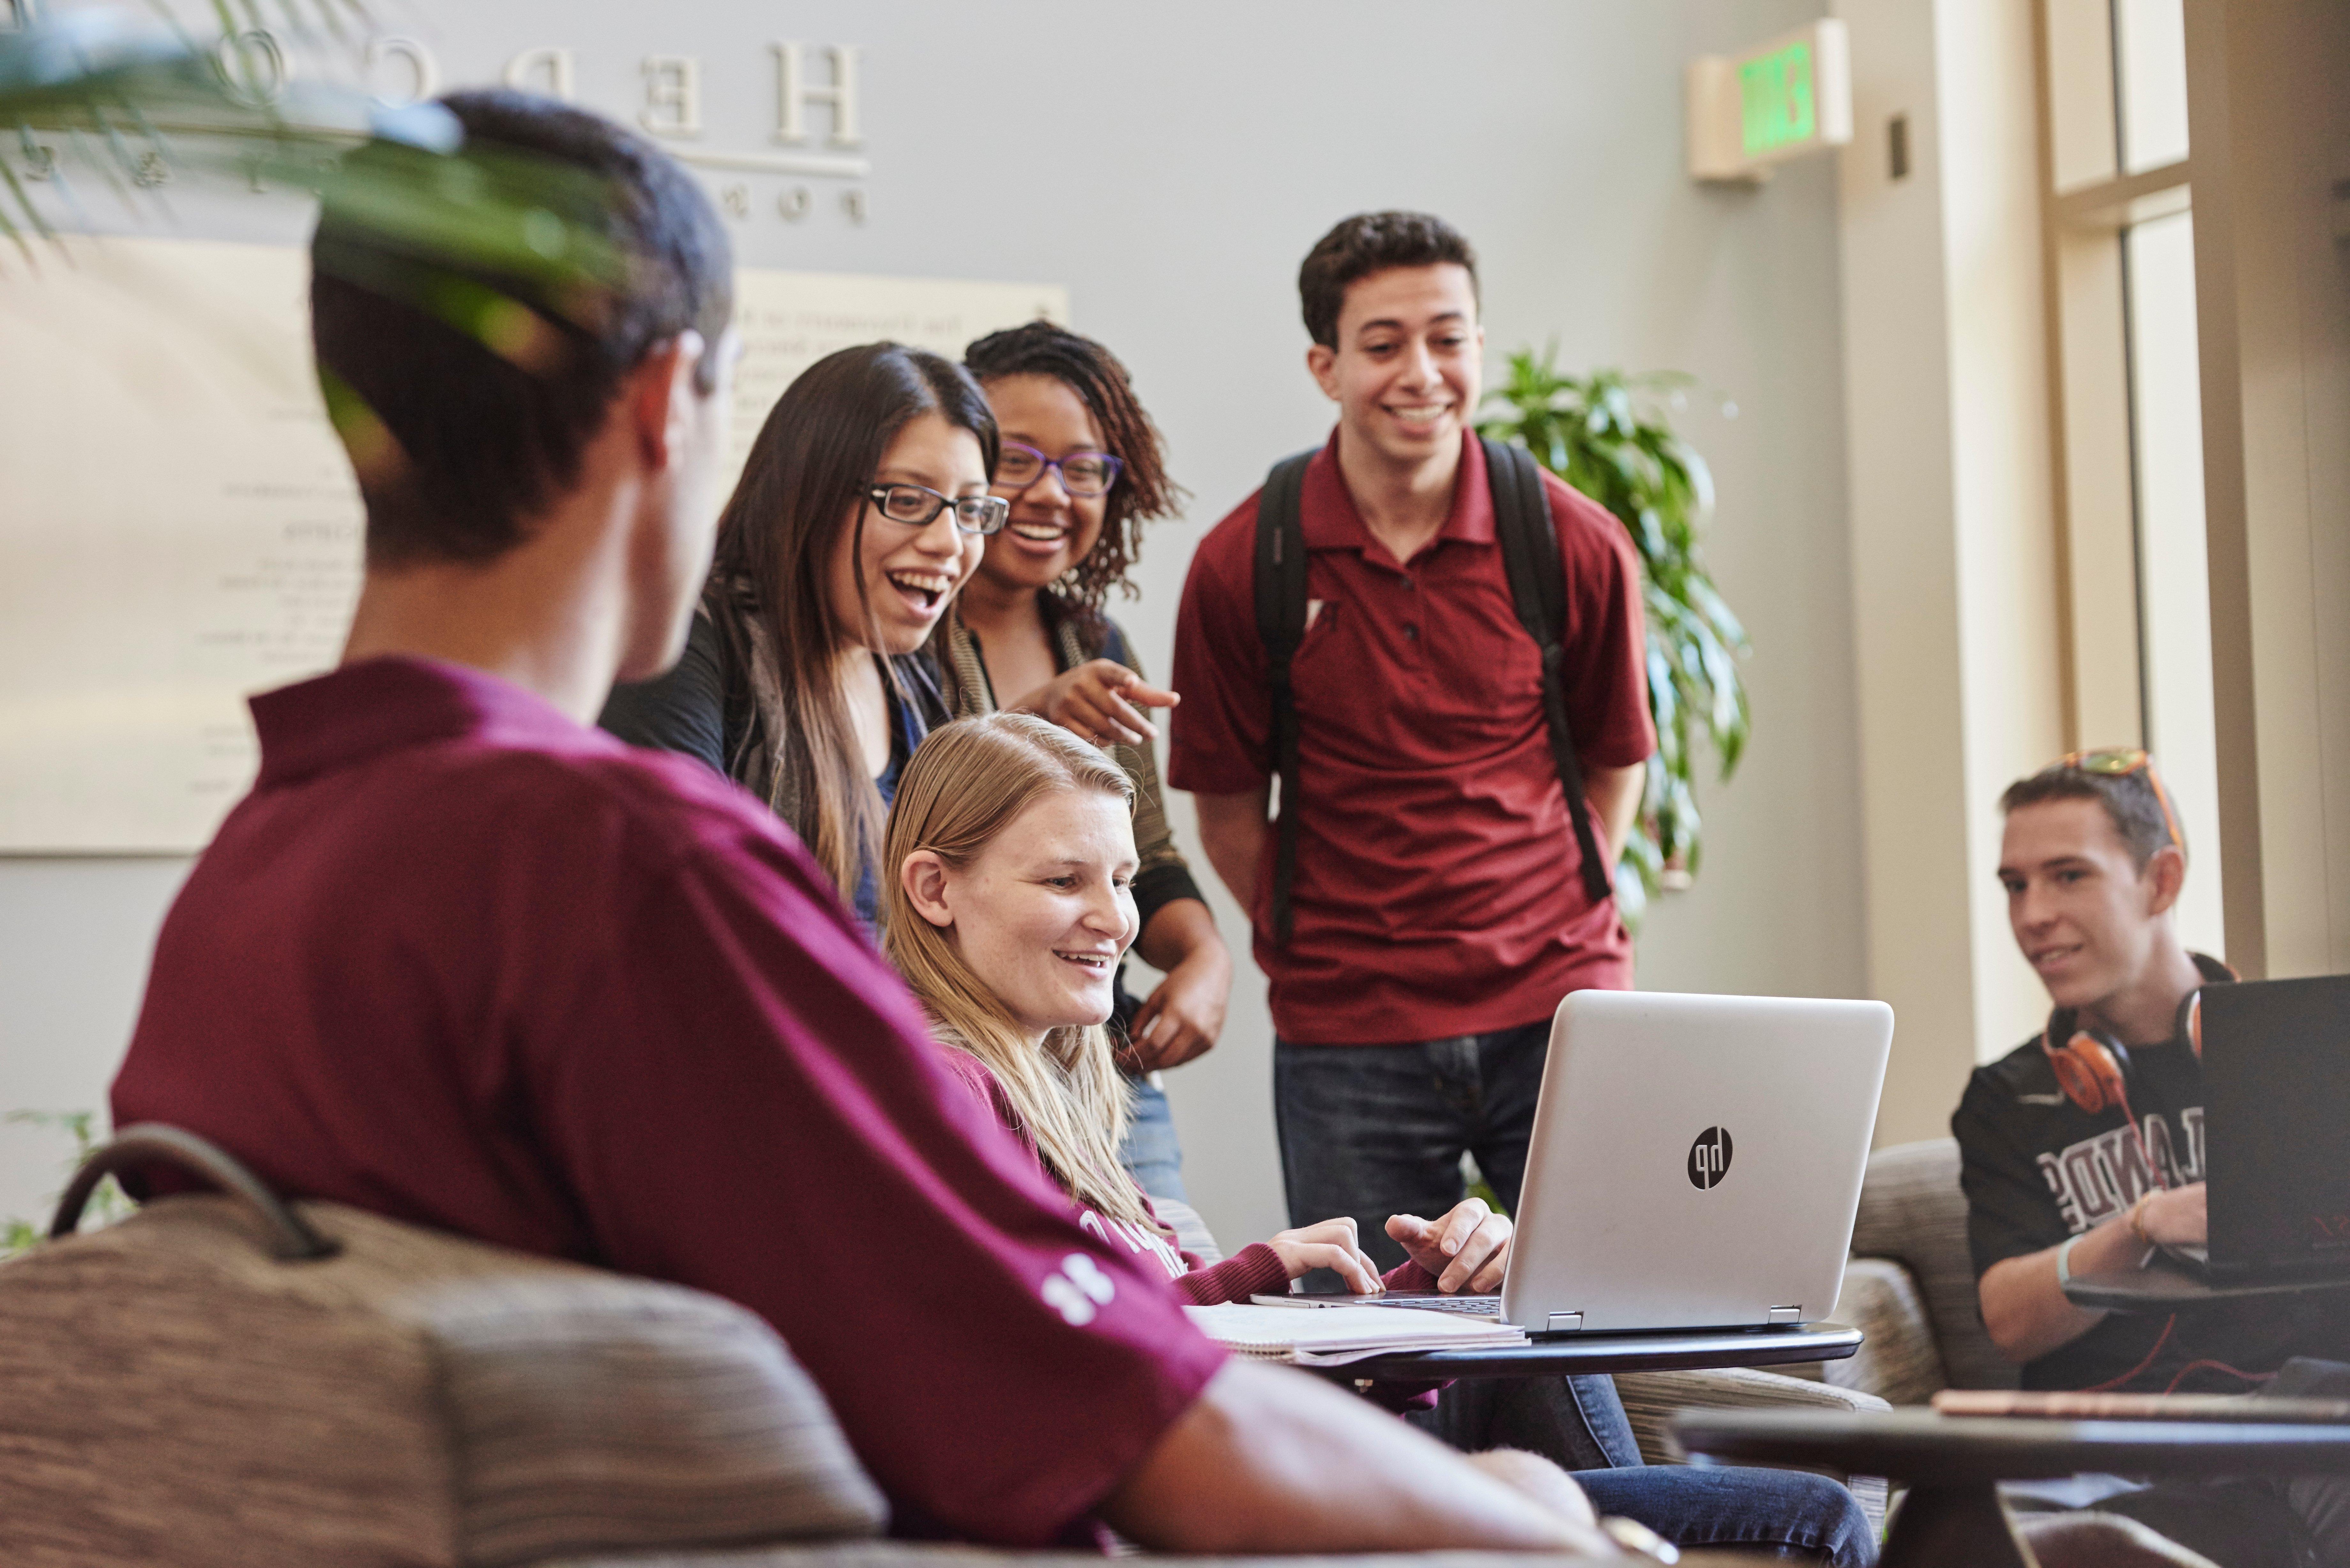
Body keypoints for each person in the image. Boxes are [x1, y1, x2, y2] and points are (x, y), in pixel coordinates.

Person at [105, 92, 1624, 1556]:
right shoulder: (634, 873)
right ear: (661, 411)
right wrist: (1544, 1513)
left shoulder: (251, 873)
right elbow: (1129, 1425)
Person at [885, 712, 1877, 1567]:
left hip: (1264, 1468)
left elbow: (1236, 1382)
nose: (1116, 921)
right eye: (1065, 880)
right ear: (935, 890)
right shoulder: (942, 1095)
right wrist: (1253, 1274)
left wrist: (1427, 1299)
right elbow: (1067, 1362)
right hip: (1205, 1511)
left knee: (1529, 1305)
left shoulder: (1071, 1108)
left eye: (1123, 879)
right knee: (1814, 1519)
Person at [1168, 210, 1654, 1266]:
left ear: (1480, 346)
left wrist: (1552, 910)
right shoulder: (1244, 561)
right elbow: (1228, 813)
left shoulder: (1573, 541)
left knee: (1611, 1311)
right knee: (1379, 1347)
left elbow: (1617, 759)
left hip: (1563, 1013)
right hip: (1350, 1032)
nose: (1422, 373)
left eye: (1450, 338)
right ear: (1326, 366)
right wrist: (1330, 941)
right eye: (1384, 345)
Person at [1955, 751, 2350, 1568]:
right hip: (2112, 1456)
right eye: (2014, 884)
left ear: (2160, 880)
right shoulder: (2006, 1098)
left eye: (2067, 875)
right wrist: (2135, 1224)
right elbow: (2008, 1319)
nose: (2031, 913)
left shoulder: (2299, 1051)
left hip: (2295, 1428)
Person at [940, 321, 1231, 1201]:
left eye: (1083, 468)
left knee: (1170, 1280)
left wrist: (1205, 961)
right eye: (1017, 460)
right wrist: (1033, 719)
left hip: (1104, 1061)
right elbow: (909, 826)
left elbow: (1147, 857)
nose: (1050, 493)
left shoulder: (1095, 640)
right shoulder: (901, 632)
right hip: (956, 1061)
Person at [598, 340, 1001, 931]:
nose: (950, 542)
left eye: (971, 511)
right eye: (907, 500)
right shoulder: (692, 642)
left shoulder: (918, 678)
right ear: (808, 492)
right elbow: (679, 909)